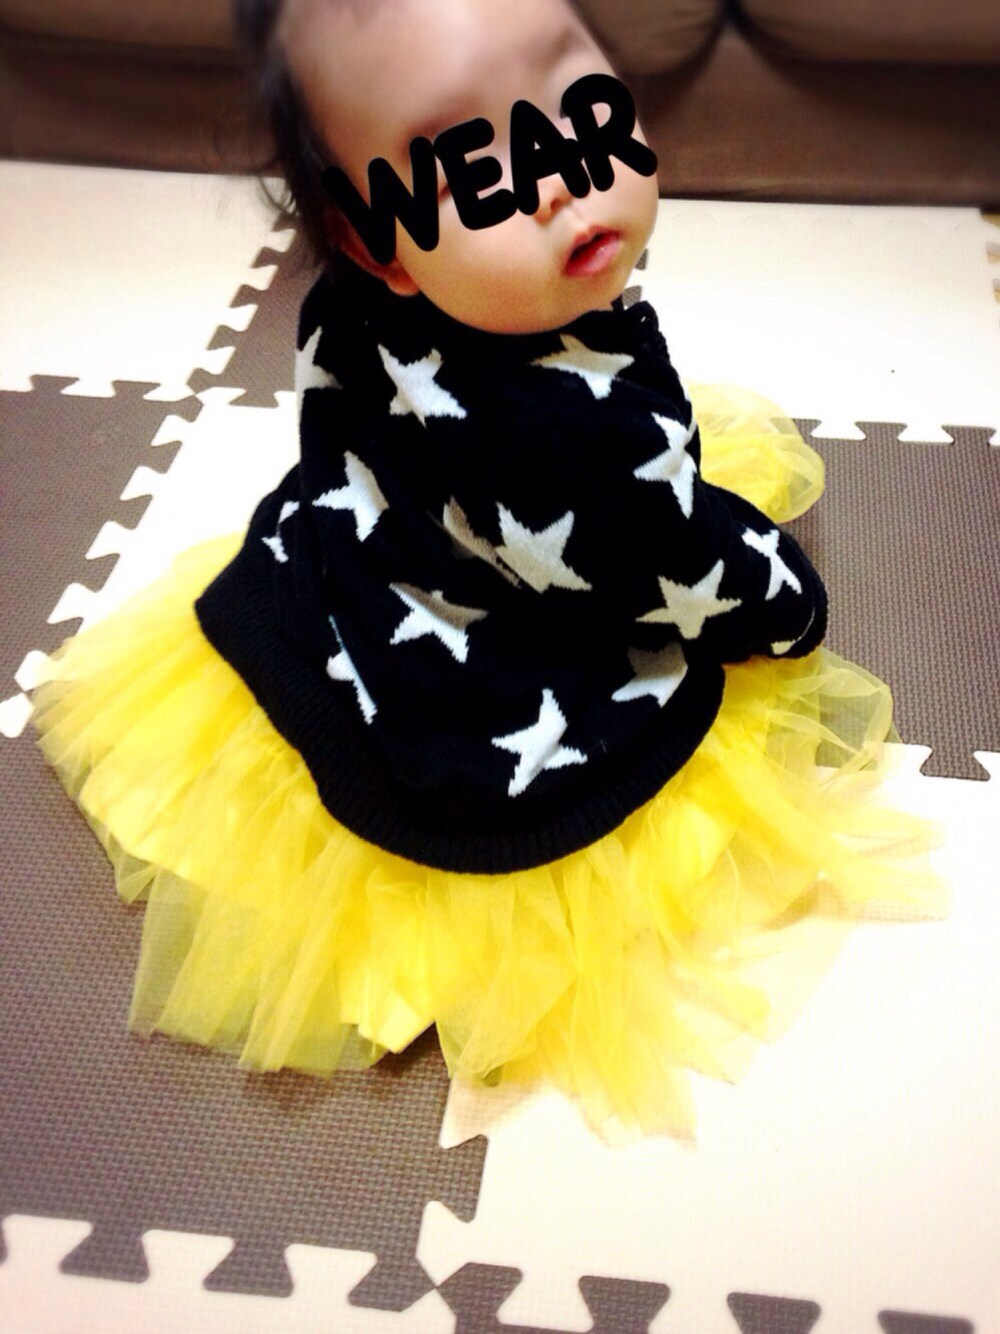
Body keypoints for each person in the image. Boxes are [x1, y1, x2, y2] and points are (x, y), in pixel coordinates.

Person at [32, 0, 941, 1138]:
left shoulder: (359, 304)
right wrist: (785, 603)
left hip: (363, 574)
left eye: (571, 99)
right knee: (692, 578)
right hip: (499, 700)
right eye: (471, 162)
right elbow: (675, 566)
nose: (557, 178)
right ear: (377, 240)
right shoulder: (578, 440)